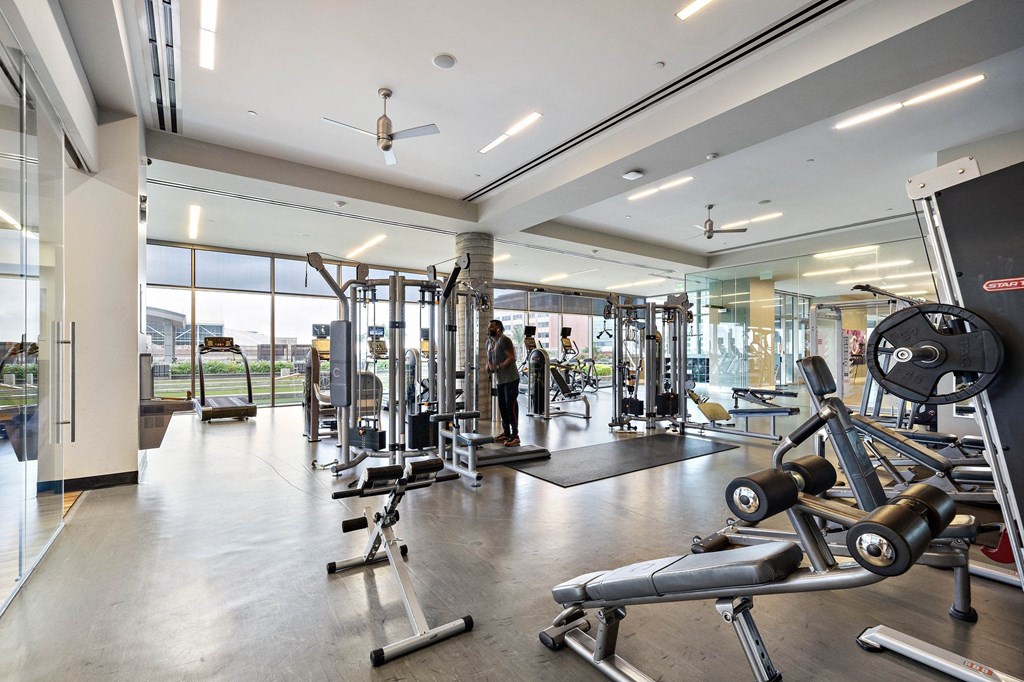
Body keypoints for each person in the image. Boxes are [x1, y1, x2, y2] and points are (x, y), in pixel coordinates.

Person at [486, 319, 519, 447]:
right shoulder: (489, 342)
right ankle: (506, 432)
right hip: (500, 380)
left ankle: (515, 435)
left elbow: (512, 357)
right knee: (502, 407)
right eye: (489, 327)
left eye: (491, 327)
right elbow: (489, 360)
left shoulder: (504, 340)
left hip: (511, 378)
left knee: (510, 407)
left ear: (498, 328)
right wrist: (488, 368)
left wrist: (498, 367)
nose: (489, 329)